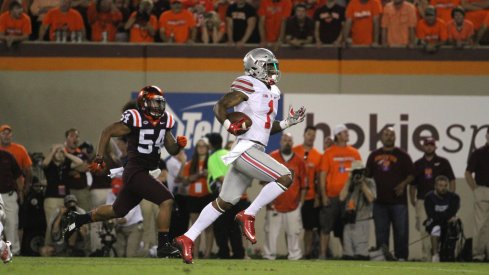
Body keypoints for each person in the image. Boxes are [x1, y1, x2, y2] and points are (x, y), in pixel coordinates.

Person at [174, 48, 306, 264]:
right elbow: (220, 106)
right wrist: (229, 126)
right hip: (246, 149)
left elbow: (264, 127)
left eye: (274, 65)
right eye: (268, 65)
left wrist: (287, 123)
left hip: (254, 148)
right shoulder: (248, 82)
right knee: (285, 176)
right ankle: (249, 214)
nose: (273, 70)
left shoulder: (273, 91)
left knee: (224, 202)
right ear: (255, 67)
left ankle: (187, 238)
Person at [62, 85, 188, 258]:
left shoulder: (165, 121)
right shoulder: (135, 118)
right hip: (136, 170)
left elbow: (171, 148)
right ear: (144, 103)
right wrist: (99, 158)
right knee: (166, 200)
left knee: (118, 210)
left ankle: (78, 219)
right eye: (154, 103)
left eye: (160, 103)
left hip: (144, 172)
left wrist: (179, 145)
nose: (158, 107)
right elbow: (107, 132)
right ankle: (163, 245)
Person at [366, 127, 414, 261]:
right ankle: (382, 256)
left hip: (398, 202)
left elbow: (411, 175)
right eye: (386, 134)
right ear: (381, 137)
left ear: (395, 137)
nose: (388, 137)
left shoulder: (403, 155)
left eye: (391, 135)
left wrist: (403, 184)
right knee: (381, 233)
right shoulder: (373, 155)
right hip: (379, 202)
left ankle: (401, 257)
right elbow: (367, 176)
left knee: (401, 232)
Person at [318, 124, 361, 259]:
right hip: (332, 196)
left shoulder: (354, 153)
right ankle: (323, 254)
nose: (347, 134)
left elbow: (359, 174)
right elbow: (322, 176)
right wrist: (324, 196)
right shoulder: (329, 153)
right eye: (344, 132)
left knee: (347, 227)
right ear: (338, 135)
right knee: (326, 227)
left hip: (350, 197)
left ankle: (347, 253)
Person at [409, 137, 456, 261]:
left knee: (441, 228)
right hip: (423, 201)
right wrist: (412, 199)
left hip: (440, 201)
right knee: (425, 229)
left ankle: (438, 254)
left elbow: (451, 180)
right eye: (426, 145)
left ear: (435, 147)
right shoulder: (417, 164)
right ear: (423, 147)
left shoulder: (443, 162)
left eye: (431, 145)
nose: (429, 147)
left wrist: (450, 198)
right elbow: (413, 184)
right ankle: (427, 257)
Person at [263, 133, 306, 260]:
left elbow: (303, 184)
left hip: (293, 205)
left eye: (289, 140)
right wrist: (267, 201)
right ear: (280, 142)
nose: (287, 142)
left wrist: (300, 203)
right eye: (285, 140)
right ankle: (268, 256)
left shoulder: (299, 161)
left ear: (292, 143)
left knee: (294, 233)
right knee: (271, 233)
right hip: (274, 204)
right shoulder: (272, 157)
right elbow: (265, 181)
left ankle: (295, 257)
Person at [207, 132, 246, 259]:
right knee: (234, 227)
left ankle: (224, 253)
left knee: (220, 227)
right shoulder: (227, 153)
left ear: (210, 144)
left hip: (222, 196)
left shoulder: (213, 157)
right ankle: (238, 253)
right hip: (235, 195)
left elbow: (219, 178)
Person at [42, 144, 84, 247]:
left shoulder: (66, 164)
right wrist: (53, 151)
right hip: (51, 198)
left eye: (61, 152)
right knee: (51, 224)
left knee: (65, 224)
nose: (60, 154)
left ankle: (64, 248)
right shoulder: (50, 165)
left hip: (65, 199)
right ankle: (49, 247)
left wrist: (66, 153)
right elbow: (44, 164)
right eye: (58, 152)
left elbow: (80, 162)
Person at [178, 138, 214, 259]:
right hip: (193, 197)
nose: (201, 148)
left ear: (207, 148)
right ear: (196, 148)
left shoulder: (211, 162)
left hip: (207, 195)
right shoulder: (190, 163)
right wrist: (198, 175)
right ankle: (196, 254)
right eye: (199, 146)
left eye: (204, 146)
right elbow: (184, 181)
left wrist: (208, 173)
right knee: (195, 227)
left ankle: (207, 254)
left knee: (208, 227)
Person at [293, 126, 322, 259]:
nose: (311, 137)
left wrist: (317, 196)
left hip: (310, 197)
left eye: (313, 135)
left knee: (309, 228)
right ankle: (292, 252)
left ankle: (307, 253)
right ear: (304, 135)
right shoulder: (294, 151)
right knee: (292, 227)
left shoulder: (318, 155)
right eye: (309, 134)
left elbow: (318, 179)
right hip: (293, 196)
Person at [339, 161, 376, 260]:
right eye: (355, 172)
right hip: (349, 221)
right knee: (348, 255)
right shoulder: (350, 183)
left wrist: (362, 183)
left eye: (359, 172)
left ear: (364, 172)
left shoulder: (369, 182)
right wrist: (348, 180)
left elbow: (371, 198)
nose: (357, 174)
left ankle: (378, 255)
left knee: (361, 255)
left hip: (362, 221)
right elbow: (342, 197)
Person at [465, 127, 489, 261]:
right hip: (483, 190)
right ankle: (478, 255)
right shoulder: (478, 153)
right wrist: (475, 189)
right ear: (486, 135)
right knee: (480, 225)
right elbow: (468, 173)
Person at [424, 175, 460, 262]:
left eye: (445, 185)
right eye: (440, 185)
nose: (443, 188)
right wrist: (445, 217)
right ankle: (435, 255)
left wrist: (444, 217)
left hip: (448, 223)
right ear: (435, 186)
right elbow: (431, 214)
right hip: (435, 222)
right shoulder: (429, 197)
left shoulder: (454, 197)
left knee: (454, 227)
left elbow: (452, 211)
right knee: (435, 229)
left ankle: (450, 254)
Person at [106, 180, 143, 257]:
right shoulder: (111, 194)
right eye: (115, 191)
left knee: (130, 254)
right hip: (120, 228)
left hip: (134, 226)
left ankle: (148, 253)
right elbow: (107, 210)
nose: (116, 194)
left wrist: (113, 221)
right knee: (119, 254)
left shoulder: (132, 196)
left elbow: (126, 218)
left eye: (118, 191)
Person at [0, 149, 19, 262]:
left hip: (8, 194)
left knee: (12, 223)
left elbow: (18, 175)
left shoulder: (7, 156)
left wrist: (21, 191)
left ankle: (14, 250)